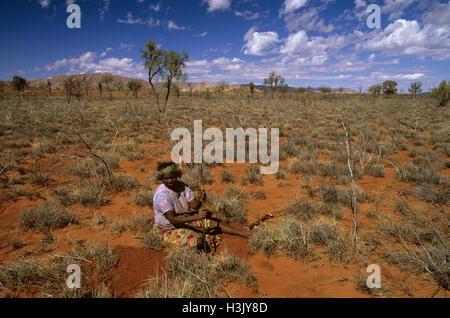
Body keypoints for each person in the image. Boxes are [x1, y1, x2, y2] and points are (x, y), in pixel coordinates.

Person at [153, 162, 250, 251]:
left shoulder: (181, 186)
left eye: (173, 177)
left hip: (185, 220)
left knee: (213, 223)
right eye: (166, 178)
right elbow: (172, 219)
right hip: (169, 228)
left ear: (177, 176)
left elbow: (195, 206)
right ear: (162, 179)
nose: (170, 181)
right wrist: (197, 217)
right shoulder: (162, 195)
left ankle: (246, 234)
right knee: (198, 241)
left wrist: (200, 198)